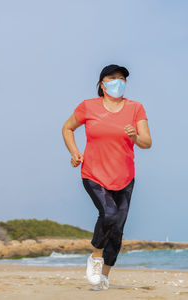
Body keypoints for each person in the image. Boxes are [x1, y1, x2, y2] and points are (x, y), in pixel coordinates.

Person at [62, 64, 152, 290]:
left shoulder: (135, 108)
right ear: (102, 84)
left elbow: (147, 143)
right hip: (94, 174)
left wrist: (134, 137)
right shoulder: (88, 107)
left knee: (117, 231)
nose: (118, 82)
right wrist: (74, 152)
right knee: (109, 214)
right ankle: (95, 257)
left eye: (122, 78)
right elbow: (67, 128)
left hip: (125, 177)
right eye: (113, 78)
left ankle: (103, 277)